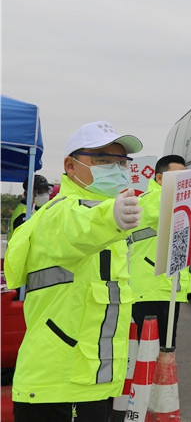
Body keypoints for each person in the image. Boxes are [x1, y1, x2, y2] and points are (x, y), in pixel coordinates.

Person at [4, 120, 143, 421]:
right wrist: (111, 217)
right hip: (58, 388)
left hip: (87, 384)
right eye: (103, 159)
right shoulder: (60, 213)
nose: (116, 168)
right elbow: (80, 227)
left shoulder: (106, 213)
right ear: (70, 166)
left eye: (122, 161)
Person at [128, 155, 191, 348]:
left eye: (185, 177)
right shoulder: (150, 199)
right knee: (144, 352)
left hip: (167, 289)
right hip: (147, 290)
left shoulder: (176, 204)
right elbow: (163, 206)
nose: (183, 182)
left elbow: (181, 238)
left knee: (166, 350)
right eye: (178, 177)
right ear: (159, 178)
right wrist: (186, 193)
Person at [7, 174, 51, 240]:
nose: (44, 195)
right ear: (26, 194)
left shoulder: (33, 209)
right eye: (40, 192)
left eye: (46, 191)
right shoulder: (23, 214)